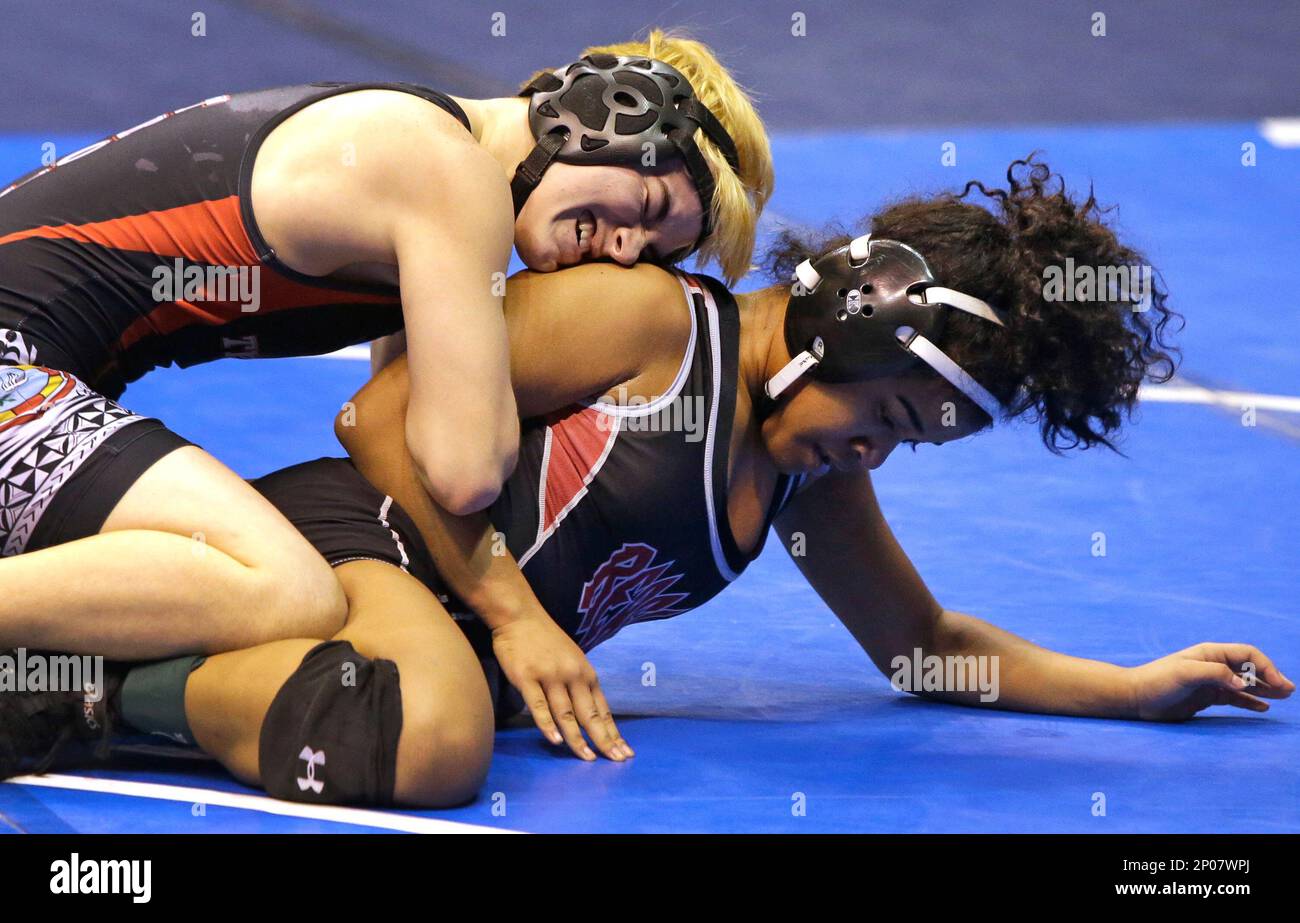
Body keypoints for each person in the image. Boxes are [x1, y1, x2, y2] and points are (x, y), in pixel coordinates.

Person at [5, 158, 1288, 808]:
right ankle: (70, 693)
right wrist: (510, 611)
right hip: (368, 534)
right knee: (439, 732)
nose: (875, 454)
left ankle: (103, 680)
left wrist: (1135, 689)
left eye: (914, 443)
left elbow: (925, 646)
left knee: (441, 706)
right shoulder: (645, 324)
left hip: (444, 622)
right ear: (842, 332)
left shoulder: (803, 473)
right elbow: (380, 413)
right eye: (888, 415)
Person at [0, 30, 774, 658]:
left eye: (653, 251)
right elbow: (464, 471)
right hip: (14, 367)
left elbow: (404, 432)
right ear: (609, 111)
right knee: (283, 587)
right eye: (644, 203)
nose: (625, 250)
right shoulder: (448, 173)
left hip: (35, 379)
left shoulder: (435, 161)